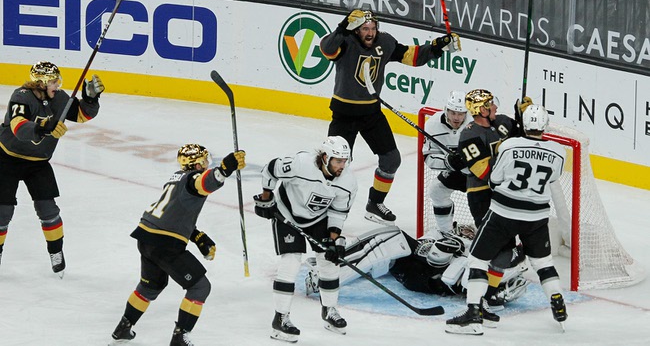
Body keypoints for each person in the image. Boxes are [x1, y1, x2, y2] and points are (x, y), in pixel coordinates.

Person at [319, 9, 460, 225]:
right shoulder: (345, 41)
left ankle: (375, 203)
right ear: (356, 30)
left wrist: (437, 46)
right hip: (344, 114)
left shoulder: (384, 42)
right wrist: (343, 25)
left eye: (373, 28)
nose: (370, 33)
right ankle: (324, 203)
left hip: (371, 113)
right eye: (365, 29)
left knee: (391, 159)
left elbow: (412, 56)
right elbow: (326, 48)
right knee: (336, 163)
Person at [445, 105, 567, 335]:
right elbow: (554, 177)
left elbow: (495, 178)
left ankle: (473, 314)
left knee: (477, 261)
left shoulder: (510, 145)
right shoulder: (559, 151)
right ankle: (557, 302)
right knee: (543, 264)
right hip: (537, 217)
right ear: (544, 125)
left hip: (504, 213)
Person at [109, 145, 246, 346]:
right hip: (165, 243)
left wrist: (197, 236)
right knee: (200, 287)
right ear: (198, 164)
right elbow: (205, 182)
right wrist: (225, 169)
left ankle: (124, 327)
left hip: (146, 236)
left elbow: (175, 213)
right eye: (205, 162)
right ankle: (180, 338)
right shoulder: (192, 179)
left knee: (151, 286)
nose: (207, 164)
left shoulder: (177, 177)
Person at [0, 61, 104, 277]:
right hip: (6, 158)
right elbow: (18, 127)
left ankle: (56, 252)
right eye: (53, 81)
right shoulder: (21, 96)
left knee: (48, 210)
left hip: (38, 162)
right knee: (3, 211)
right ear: (40, 83)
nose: (58, 85)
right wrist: (44, 128)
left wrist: (91, 99)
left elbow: (83, 115)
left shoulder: (59, 98)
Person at [253, 136, 358, 342]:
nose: (342, 166)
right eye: (338, 161)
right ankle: (280, 319)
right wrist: (266, 199)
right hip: (286, 214)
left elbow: (338, 213)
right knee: (291, 262)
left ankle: (329, 311)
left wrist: (332, 241)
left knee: (329, 263)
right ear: (325, 157)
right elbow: (271, 169)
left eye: (345, 161)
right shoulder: (300, 164)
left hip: (318, 219)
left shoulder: (348, 181)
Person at [450, 88, 531, 306]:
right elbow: (484, 173)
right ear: (481, 110)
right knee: (495, 247)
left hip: (504, 194)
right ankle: (477, 291)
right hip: (482, 196)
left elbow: (525, 137)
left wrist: (524, 116)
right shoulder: (469, 135)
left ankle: (489, 291)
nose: (495, 106)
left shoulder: (502, 122)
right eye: (491, 104)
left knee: (508, 247)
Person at [303, 224, 528, 302]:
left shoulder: (475, 250)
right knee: (384, 246)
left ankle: (328, 277)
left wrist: (452, 249)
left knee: (391, 237)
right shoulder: (444, 234)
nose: (468, 231)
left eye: (470, 232)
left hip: (431, 274)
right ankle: (335, 263)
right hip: (416, 270)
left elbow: (450, 272)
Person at [422, 90, 472, 233]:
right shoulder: (432, 125)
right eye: (452, 112)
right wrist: (448, 162)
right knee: (437, 191)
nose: (456, 118)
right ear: (446, 110)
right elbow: (428, 156)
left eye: (461, 113)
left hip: (479, 174)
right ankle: (446, 232)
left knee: (487, 201)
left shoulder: (475, 124)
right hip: (456, 172)